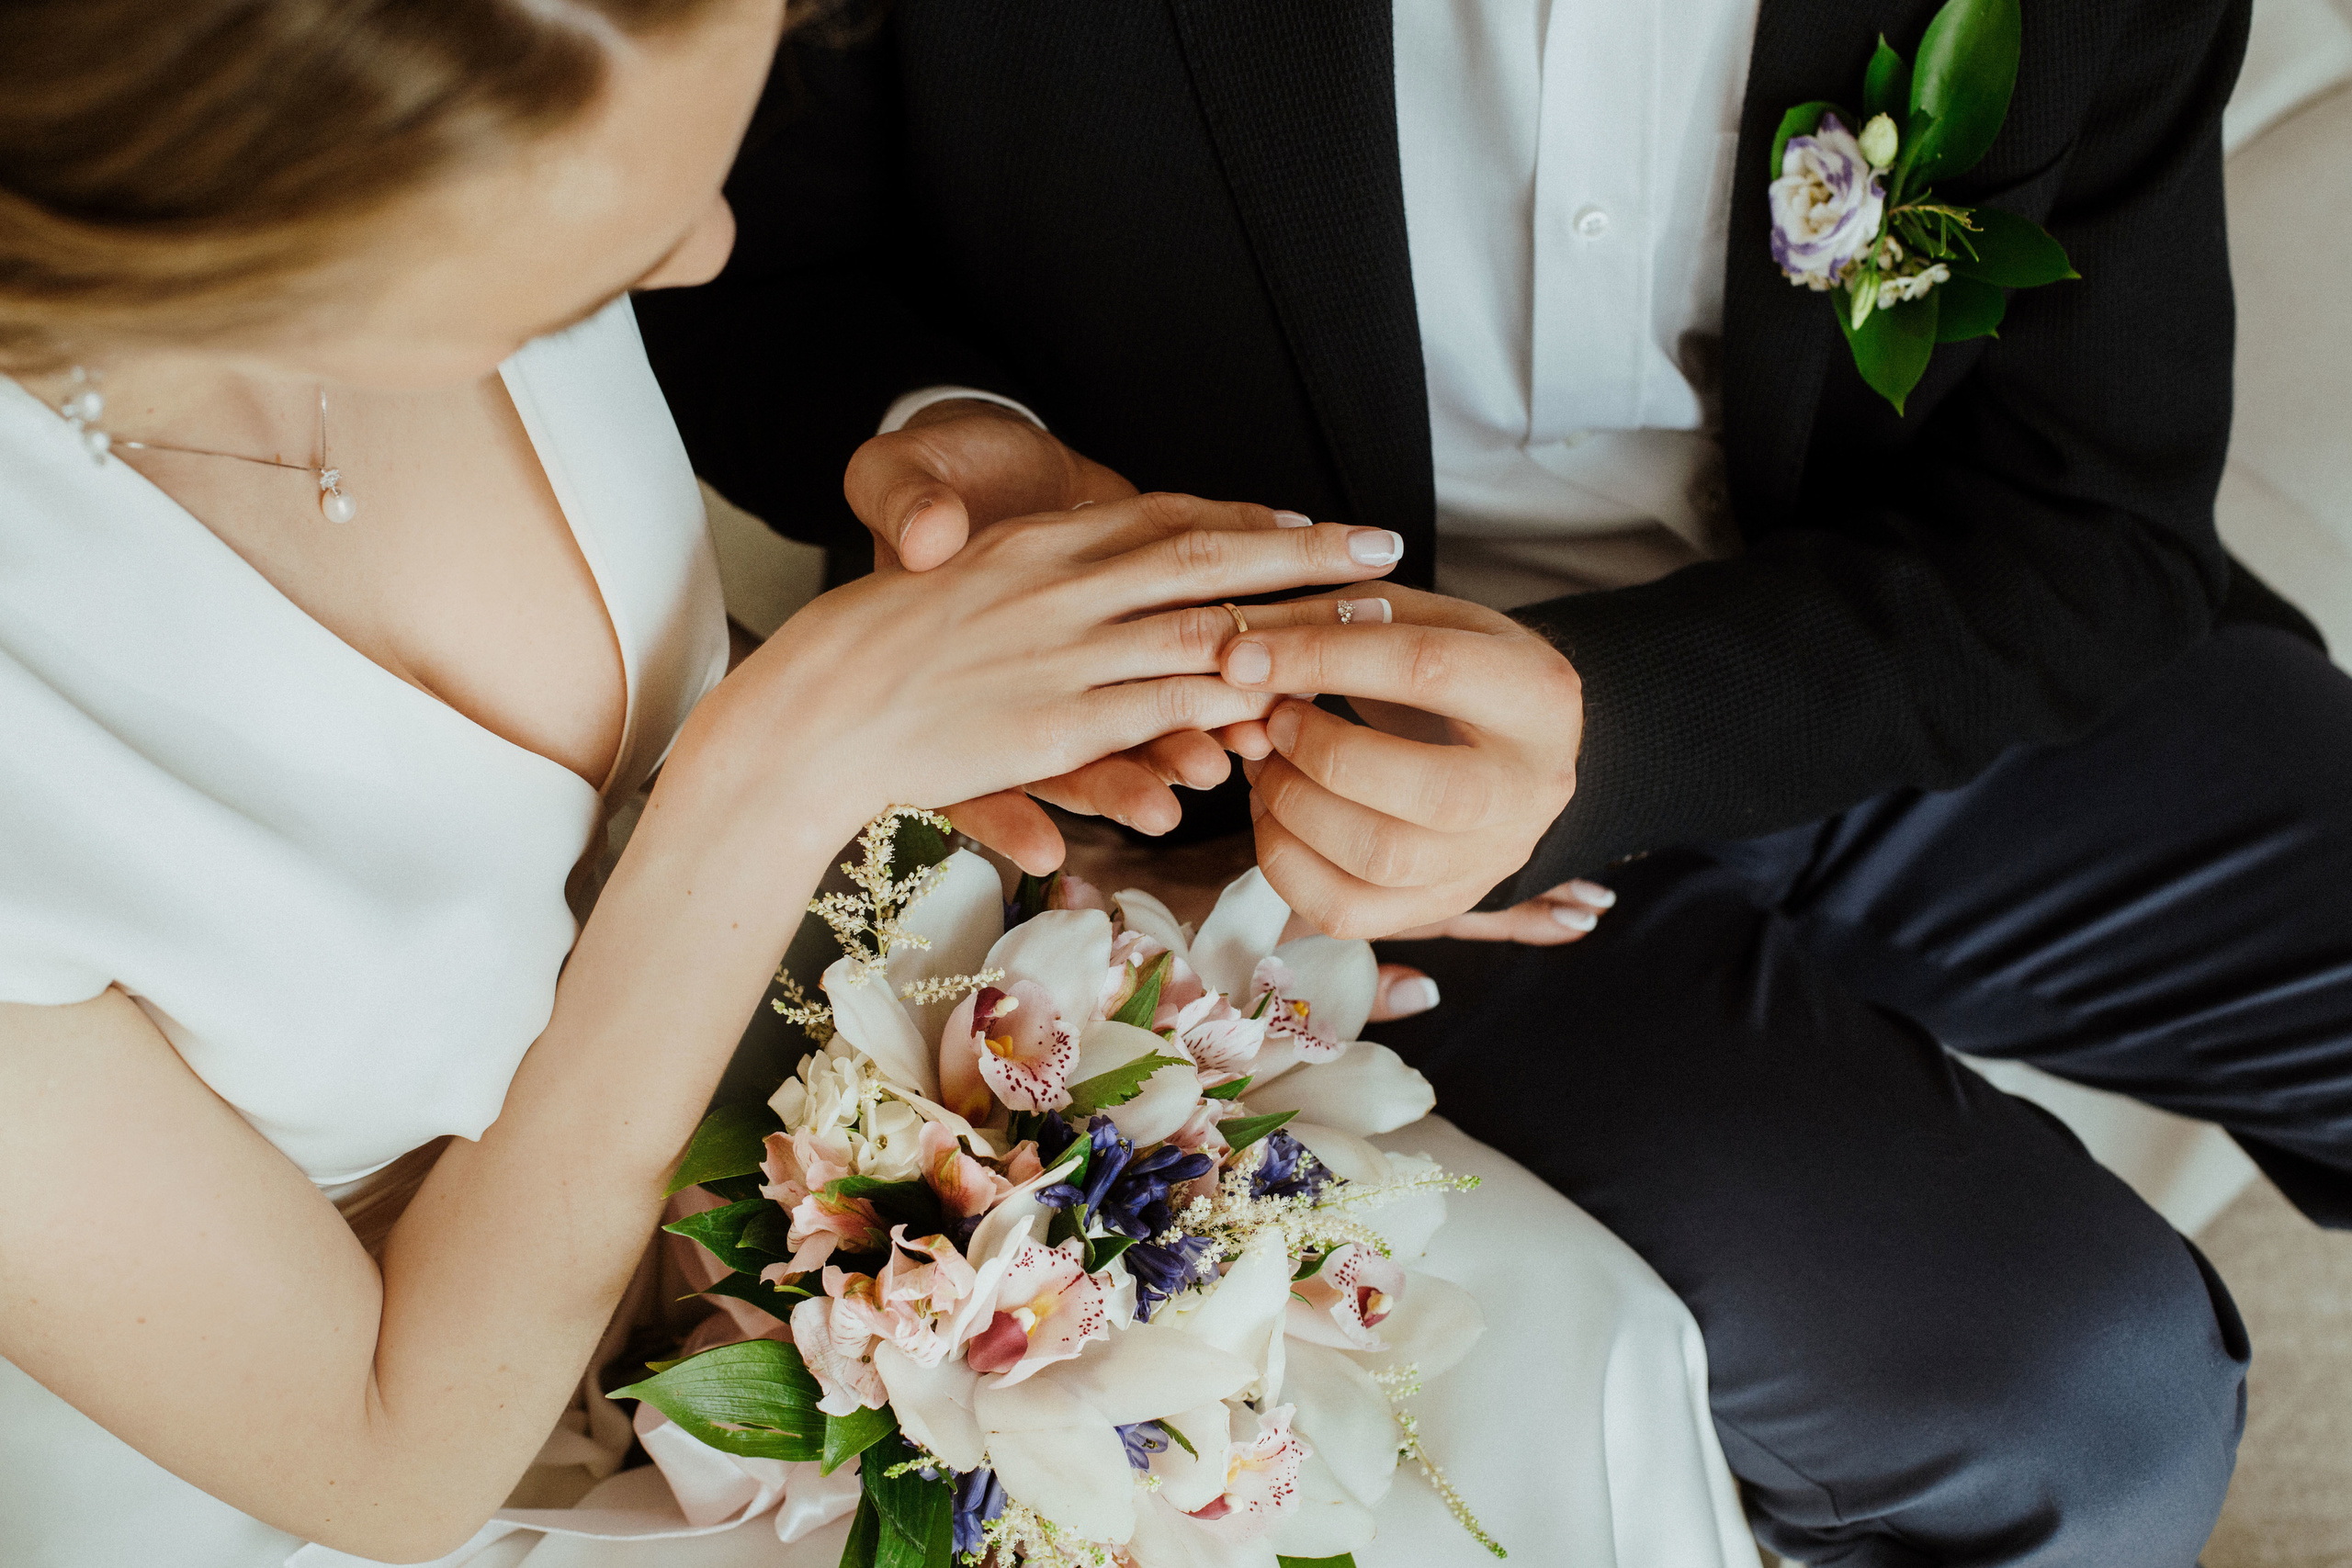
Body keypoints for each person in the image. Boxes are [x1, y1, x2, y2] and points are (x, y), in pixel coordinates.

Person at [634, 0, 2352, 1560]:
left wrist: (1628, 731)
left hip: (1894, 607)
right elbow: (737, 246)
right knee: (2077, 1407)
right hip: (1248, 779)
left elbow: (2095, 526)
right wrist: (954, 437)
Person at [0, 2, 1446, 1562]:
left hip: (814, 1213)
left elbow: (575, 790)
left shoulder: (470, 169)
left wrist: (1020, 773)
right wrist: (788, 753)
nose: (700, 250)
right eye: (615, 221)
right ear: (252, 174)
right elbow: (388, 1467)